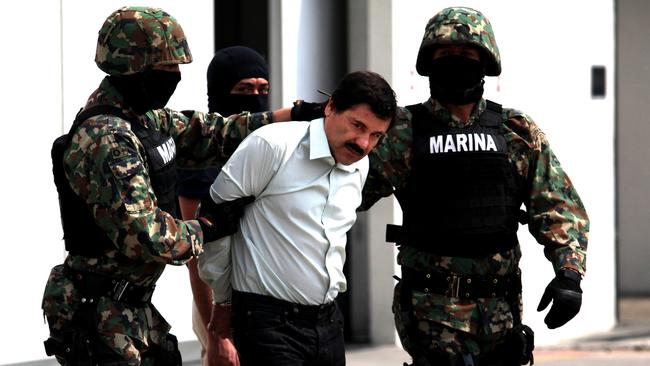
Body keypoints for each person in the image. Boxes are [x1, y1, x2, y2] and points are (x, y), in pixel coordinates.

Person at [358, 7, 590, 366]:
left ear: (484, 62)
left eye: (466, 55)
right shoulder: (402, 132)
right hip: (430, 314)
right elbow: (345, 195)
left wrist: (569, 274)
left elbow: (558, 206)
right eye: (445, 55)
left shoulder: (515, 131)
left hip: (501, 314)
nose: (455, 62)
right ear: (428, 63)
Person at [41, 7, 270, 365]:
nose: (175, 77)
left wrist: (291, 117)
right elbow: (147, 235)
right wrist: (207, 228)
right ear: (134, 66)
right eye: (167, 68)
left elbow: (208, 134)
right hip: (100, 317)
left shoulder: (140, 117)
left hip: (130, 309)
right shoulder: (108, 138)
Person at [198, 70, 397, 366]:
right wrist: (223, 303)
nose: (364, 143)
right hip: (267, 323)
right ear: (330, 107)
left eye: (376, 135)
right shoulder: (271, 145)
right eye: (358, 125)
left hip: (328, 322)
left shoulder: (360, 165)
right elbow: (216, 223)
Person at [177, 46, 270, 366]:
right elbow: (196, 259)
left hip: (269, 301)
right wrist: (217, 335)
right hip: (220, 301)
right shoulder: (200, 159)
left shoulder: (269, 145)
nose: (255, 97)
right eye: (244, 89)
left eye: (263, 89)